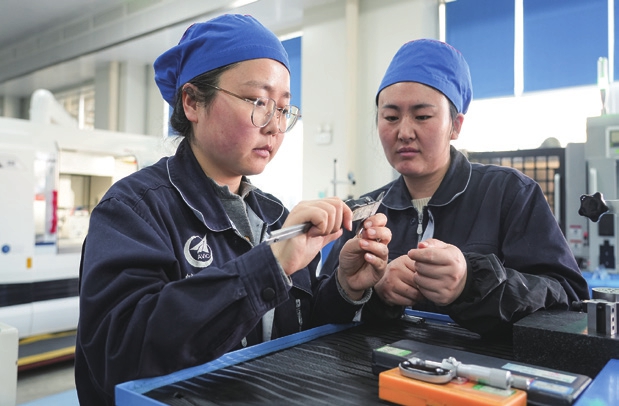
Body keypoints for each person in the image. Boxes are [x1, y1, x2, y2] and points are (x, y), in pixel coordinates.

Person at [74, 14, 391, 405]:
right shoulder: (133, 211)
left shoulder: (276, 216)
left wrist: (345, 287)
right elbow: (119, 356)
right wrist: (269, 264)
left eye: (283, 109)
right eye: (258, 102)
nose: (274, 126)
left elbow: (297, 335)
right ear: (192, 101)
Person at [322, 38, 590, 341]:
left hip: (487, 369)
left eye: (422, 116)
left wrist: (471, 283)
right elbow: (322, 315)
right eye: (391, 117)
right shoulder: (365, 212)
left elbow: (570, 300)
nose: (404, 132)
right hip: (377, 368)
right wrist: (369, 292)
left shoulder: (510, 194)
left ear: (456, 125)